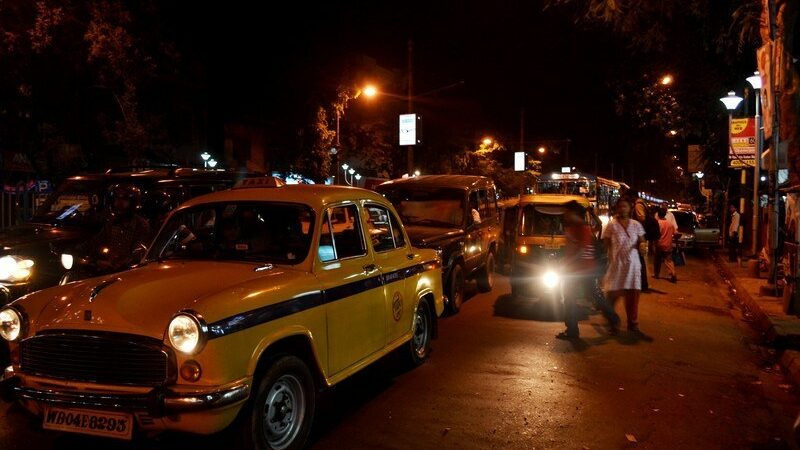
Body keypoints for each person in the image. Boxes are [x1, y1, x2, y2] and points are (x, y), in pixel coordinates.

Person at [557, 201, 620, 339]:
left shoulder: (582, 228)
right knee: (578, 298)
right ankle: (573, 330)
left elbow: (582, 251)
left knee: (574, 298)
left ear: (574, 213)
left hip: (582, 270)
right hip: (576, 270)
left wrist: (566, 262)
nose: (565, 215)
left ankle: (574, 330)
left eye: (568, 212)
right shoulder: (573, 227)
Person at [602, 198, 646, 333]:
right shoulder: (612, 225)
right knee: (612, 296)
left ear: (630, 208)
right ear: (617, 209)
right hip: (617, 265)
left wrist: (642, 246)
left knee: (632, 297)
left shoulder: (636, 225)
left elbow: (642, 240)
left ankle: (633, 324)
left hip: (633, 266)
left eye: (625, 206)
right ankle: (613, 323)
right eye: (620, 206)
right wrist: (606, 258)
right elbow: (606, 243)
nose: (622, 209)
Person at [87, 184, 151, 273]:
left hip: (131, 272)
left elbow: (138, 252)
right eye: (117, 199)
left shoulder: (140, 225)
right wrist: (95, 260)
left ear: (133, 203)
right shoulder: (112, 223)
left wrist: (121, 264)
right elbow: (96, 242)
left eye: (124, 200)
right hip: (110, 270)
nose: (119, 204)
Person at [628, 190, 650, 291]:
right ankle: (641, 284)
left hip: (638, 236)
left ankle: (642, 284)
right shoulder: (642, 203)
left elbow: (642, 218)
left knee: (638, 259)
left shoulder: (638, 205)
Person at [654, 207, 677, 283]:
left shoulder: (658, 223)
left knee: (657, 260)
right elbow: (675, 233)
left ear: (658, 215)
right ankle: (672, 273)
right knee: (669, 260)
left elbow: (656, 234)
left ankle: (656, 274)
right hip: (668, 245)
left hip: (659, 244)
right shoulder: (670, 224)